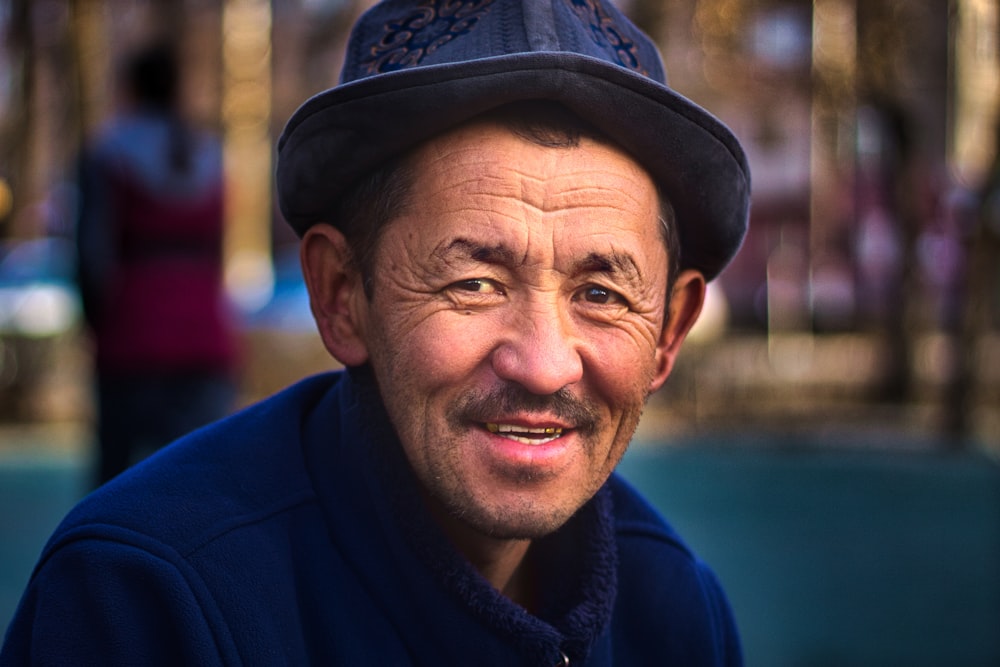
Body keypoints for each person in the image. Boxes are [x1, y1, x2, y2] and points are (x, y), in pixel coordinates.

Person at [1, 1, 750, 664]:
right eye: (474, 283)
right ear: (341, 295)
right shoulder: (142, 603)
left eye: (600, 292)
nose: (545, 363)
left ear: (669, 330)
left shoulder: (677, 610)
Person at [72, 41, 240, 485]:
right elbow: (219, 250)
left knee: (114, 486)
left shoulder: (109, 153)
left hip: (132, 341)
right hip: (203, 341)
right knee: (199, 482)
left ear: (131, 87)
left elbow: (92, 252)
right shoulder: (209, 153)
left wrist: (95, 323)